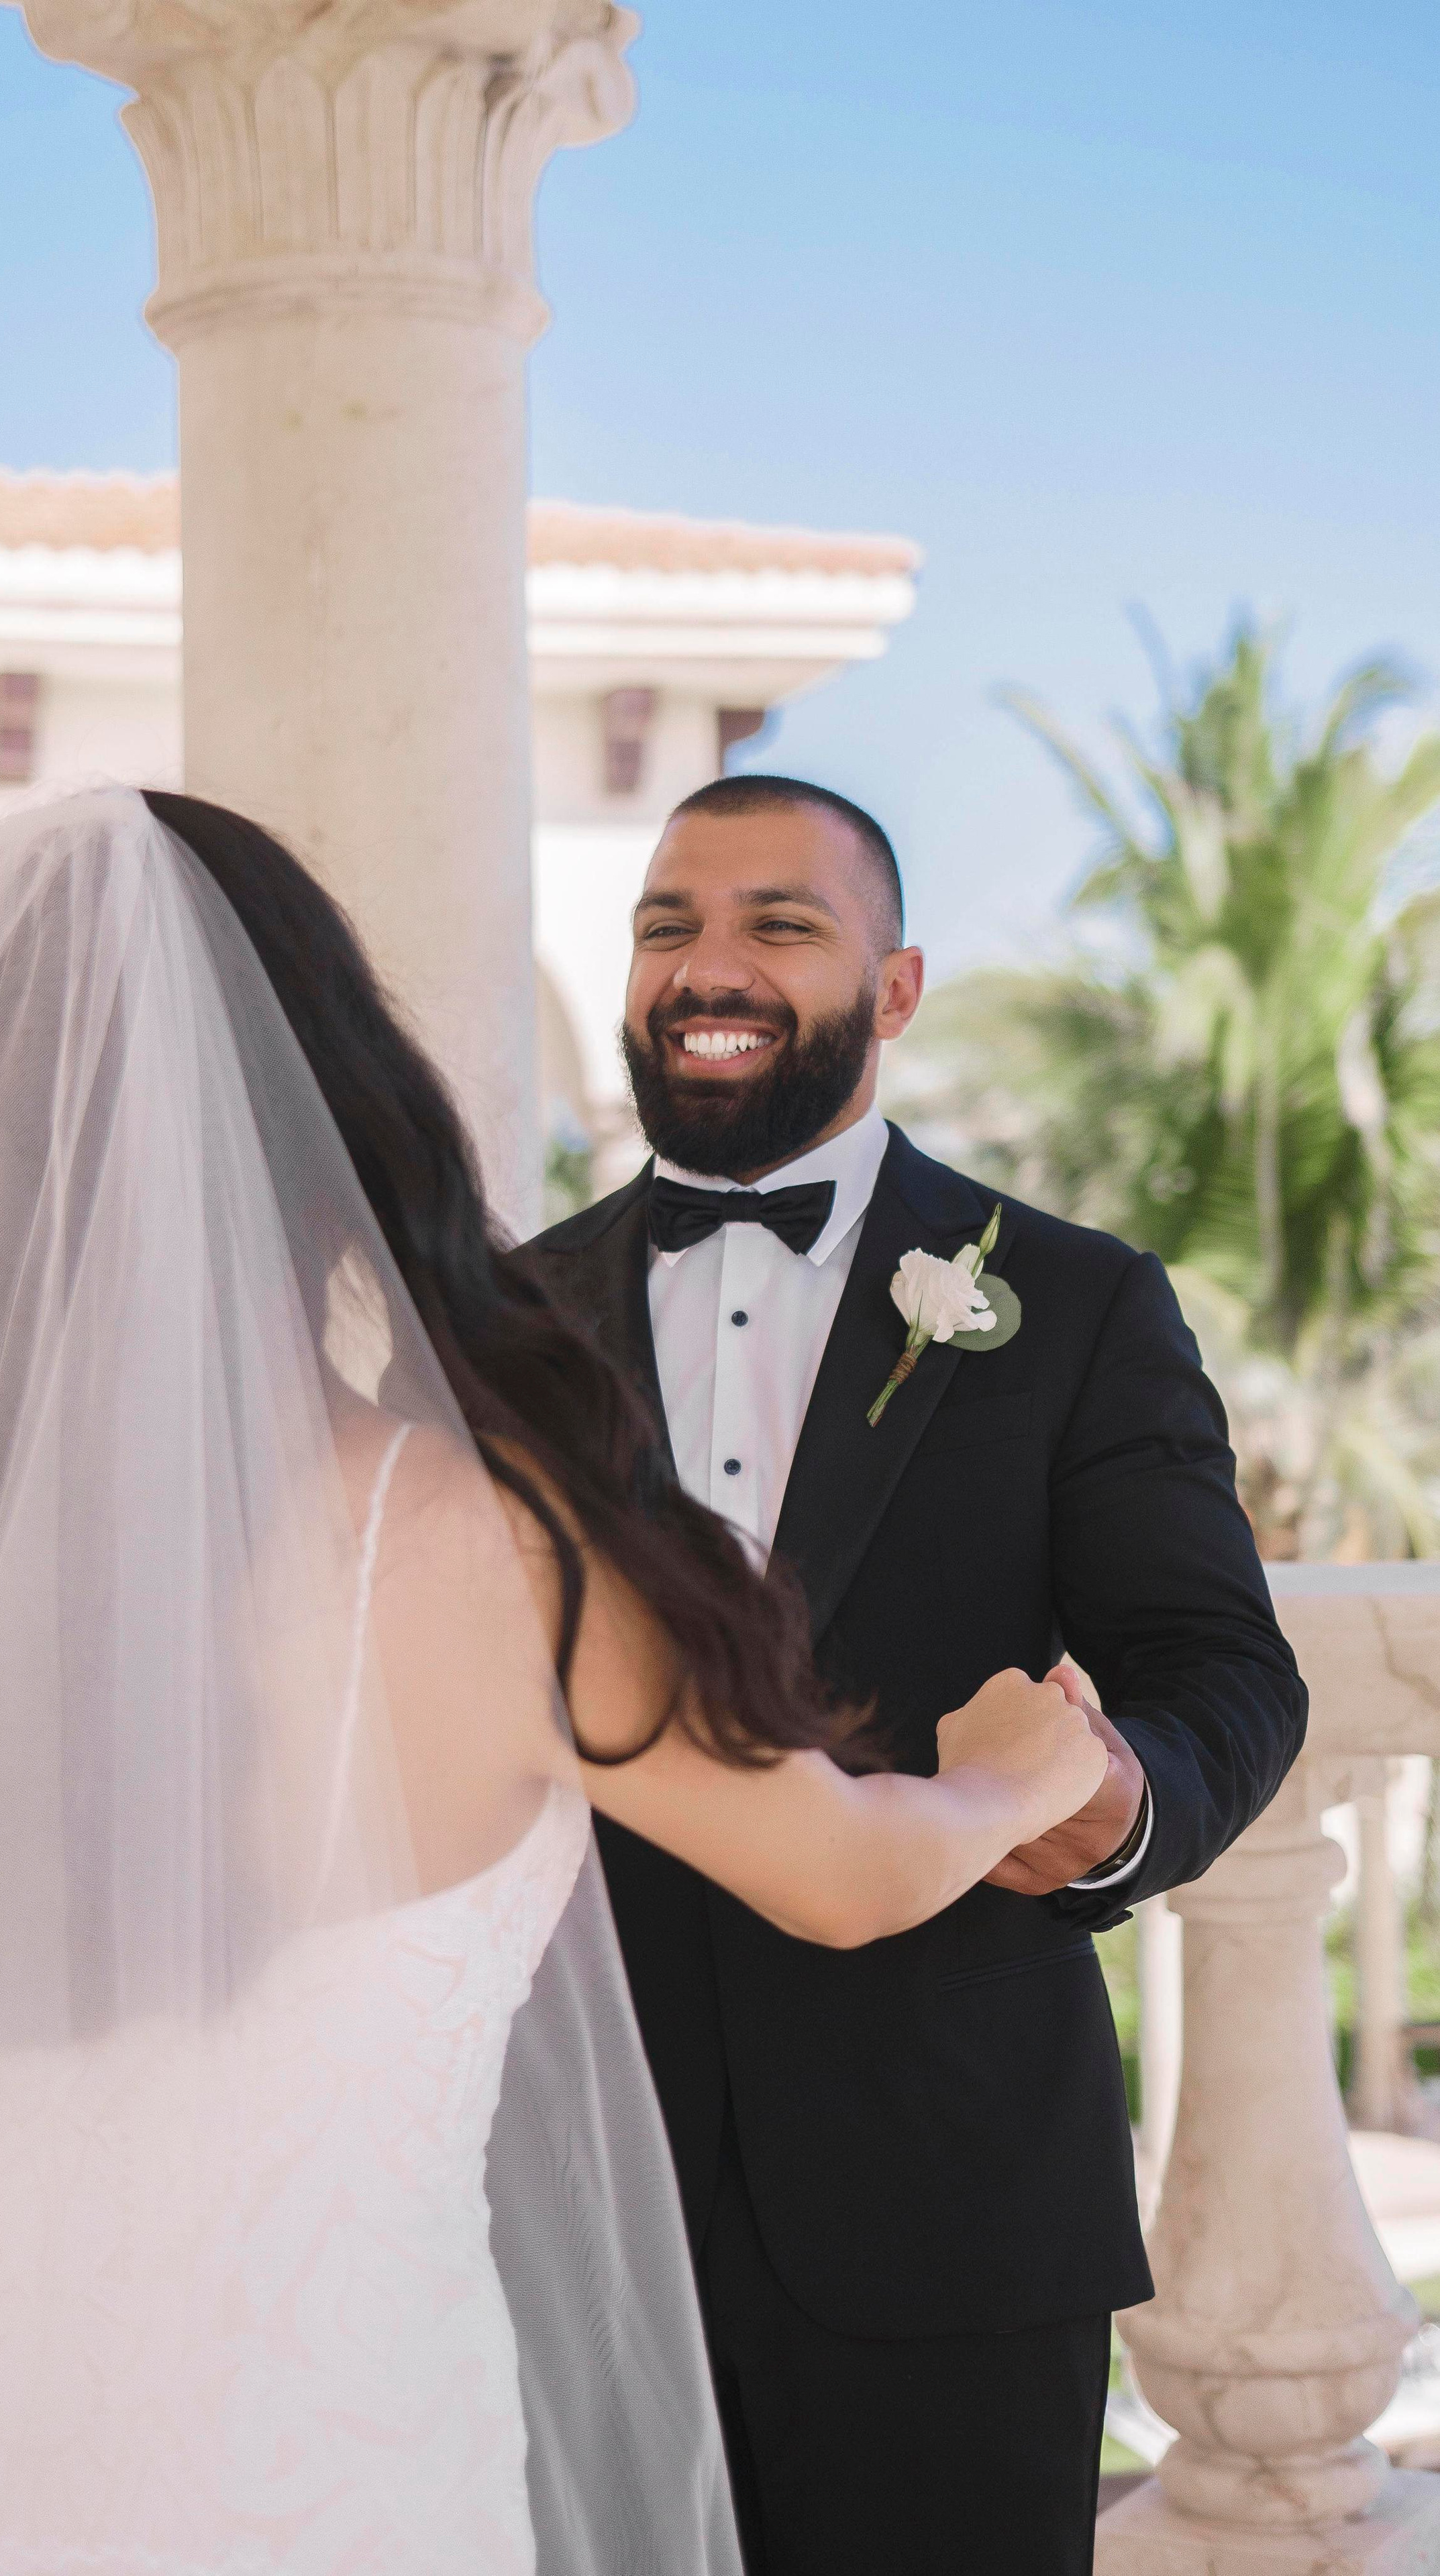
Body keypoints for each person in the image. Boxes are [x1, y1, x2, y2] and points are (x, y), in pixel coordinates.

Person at [0, 786, 1102, 2576]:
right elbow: (837, 1869)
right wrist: (1017, 1771)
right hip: (300, 2460)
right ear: (322, 1117)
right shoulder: (464, 1539)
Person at [518, 772, 1308, 2576]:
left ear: (895, 989)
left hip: (953, 2211)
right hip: (563, 2196)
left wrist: (1114, 1806)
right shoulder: (500, 1326)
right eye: (668, 925)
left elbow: (1223, 1673)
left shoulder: (1081, 1305)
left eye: (778, 925)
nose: (707, 967)